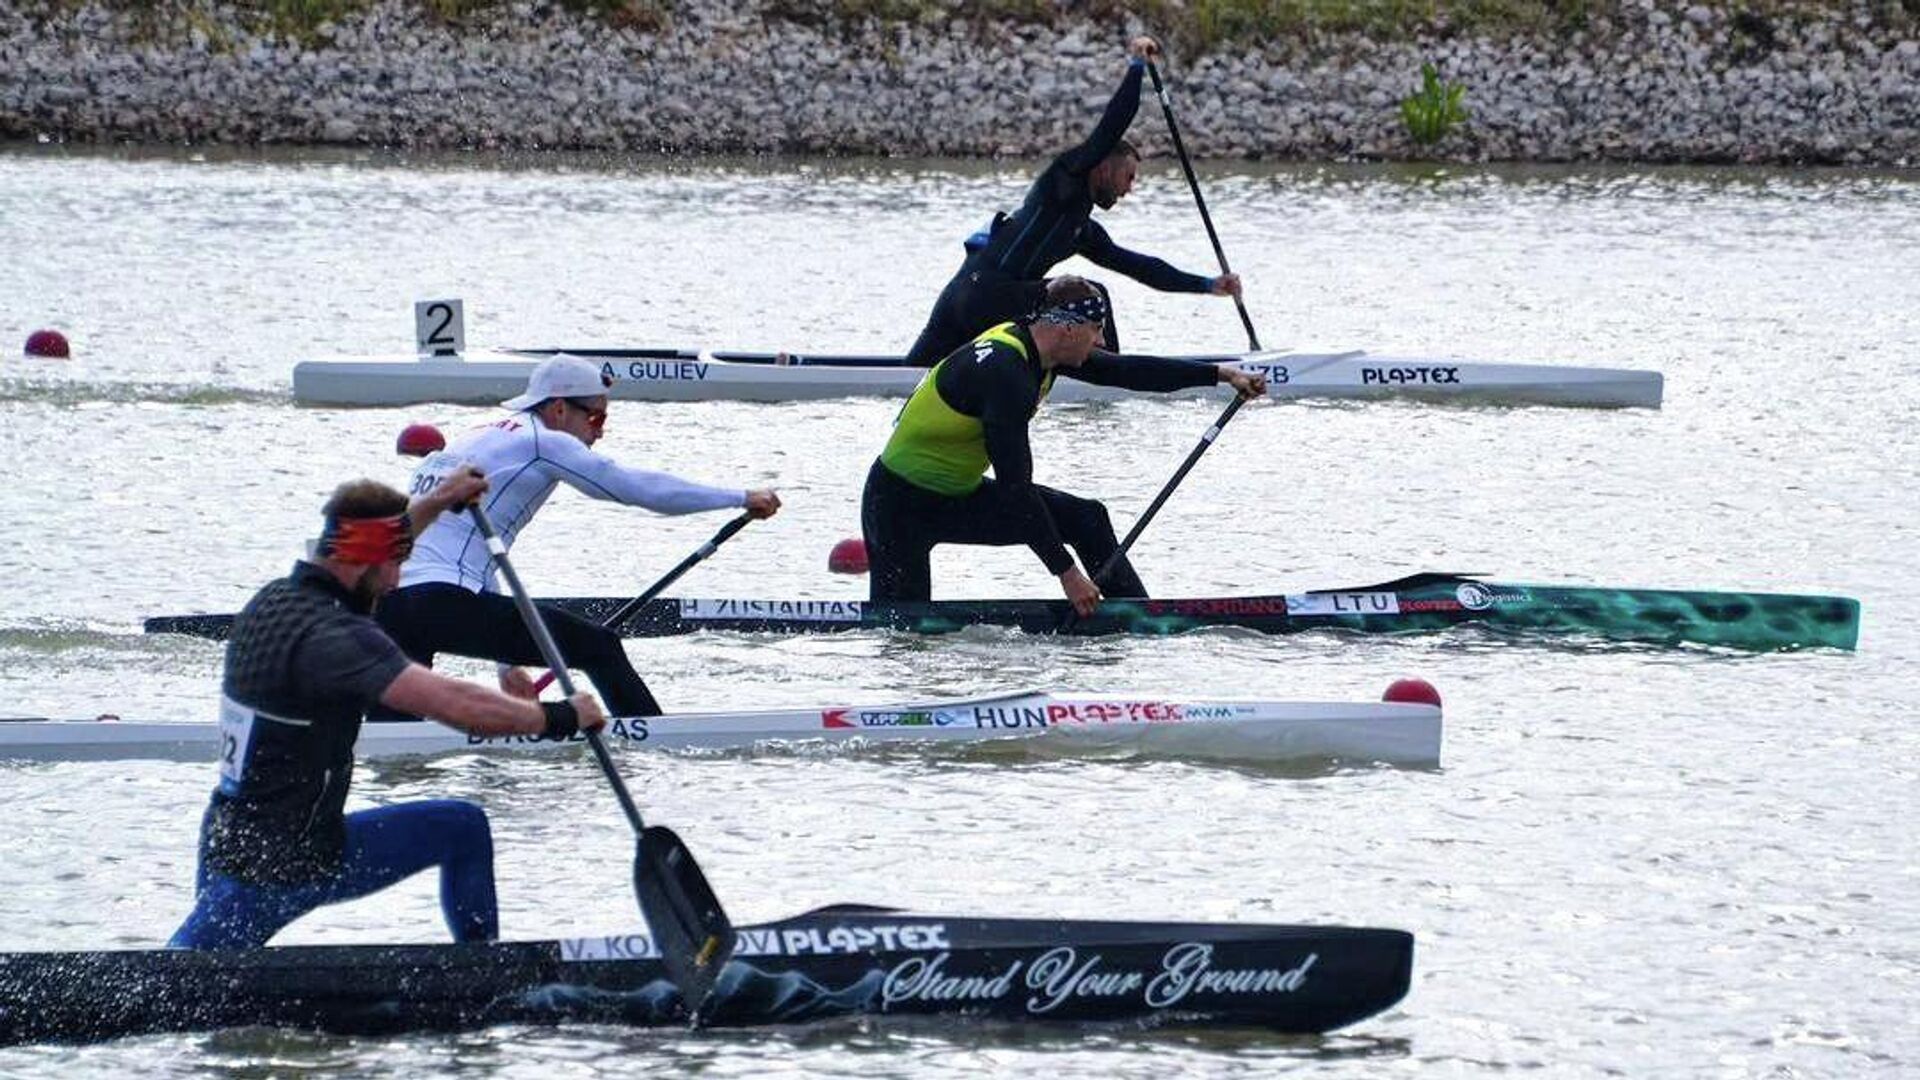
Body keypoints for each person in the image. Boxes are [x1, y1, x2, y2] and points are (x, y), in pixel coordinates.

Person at [171, 475, 609, 950]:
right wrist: (561, 717)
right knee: (179, 981)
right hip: (281, 868)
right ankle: (483, 981)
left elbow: (382, 543)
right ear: (363, 559)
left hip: (235, 839)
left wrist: (442, 499)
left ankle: (479, 967)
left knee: (462, 827)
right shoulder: (334, 638)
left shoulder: (272, 601)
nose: (399, 580)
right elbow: (456, 706)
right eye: (397, 563)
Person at [374, 355, 780, 720]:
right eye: (596, 418)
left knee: (396, 747)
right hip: (440, 601)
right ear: (559, 408)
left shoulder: (473, 439)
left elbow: (474, 550)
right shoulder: (540, 440)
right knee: (598, 647)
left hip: (388, 605)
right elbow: (634, 488)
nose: (599, 432)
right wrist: (739, 497)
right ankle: (656, 743)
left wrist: (505, 664)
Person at [865, 276, 1265, 614]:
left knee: (1086, 518)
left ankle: (1143, 621)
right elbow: (1014, 489)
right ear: (1069, 327)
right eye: (1097, 330)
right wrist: (1068, 574)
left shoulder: (1044, 347)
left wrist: (1220, 375)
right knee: (903, 631)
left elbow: (1129, 371)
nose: (1102, 340)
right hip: (901, 507)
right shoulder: (1007, 374)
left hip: (952, 493)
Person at [902, 35, 1242, 367]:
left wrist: (1208, 285)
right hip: (987, 295)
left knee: (903, 378)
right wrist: (1137, 64)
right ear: (1103, 167)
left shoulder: (1083, 231)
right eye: (1129, 176)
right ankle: (1113, 374)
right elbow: (1112, 125)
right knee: (1091, 294)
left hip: (963, 297)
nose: (1129, 189)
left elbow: (1140, 267)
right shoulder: (1064, 181)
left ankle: (1102, 370)